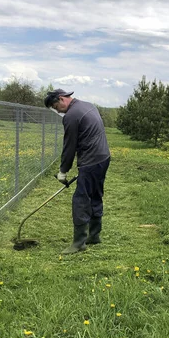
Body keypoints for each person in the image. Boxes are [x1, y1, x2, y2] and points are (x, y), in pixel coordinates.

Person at [44, 89, 111, 254]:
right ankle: (94, 235)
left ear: (61, 99)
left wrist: (63, 171)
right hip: (103, 157)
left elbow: (69, 147)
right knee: (95, 194)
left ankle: (79, 243)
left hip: (91, 161)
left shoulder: (71, 116)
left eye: (55, 106)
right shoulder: (88, 105)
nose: (57, 110)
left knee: (81, 200)